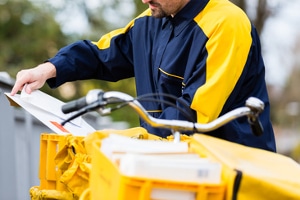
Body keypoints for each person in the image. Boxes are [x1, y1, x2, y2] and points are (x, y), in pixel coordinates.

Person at [10, 0, 276, 152]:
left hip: (234, 175)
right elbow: (103, 54)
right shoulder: (151, 19)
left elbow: (192, 117)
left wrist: (121, 141)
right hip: (170, 165)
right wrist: (49, 69)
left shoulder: (227, 24)